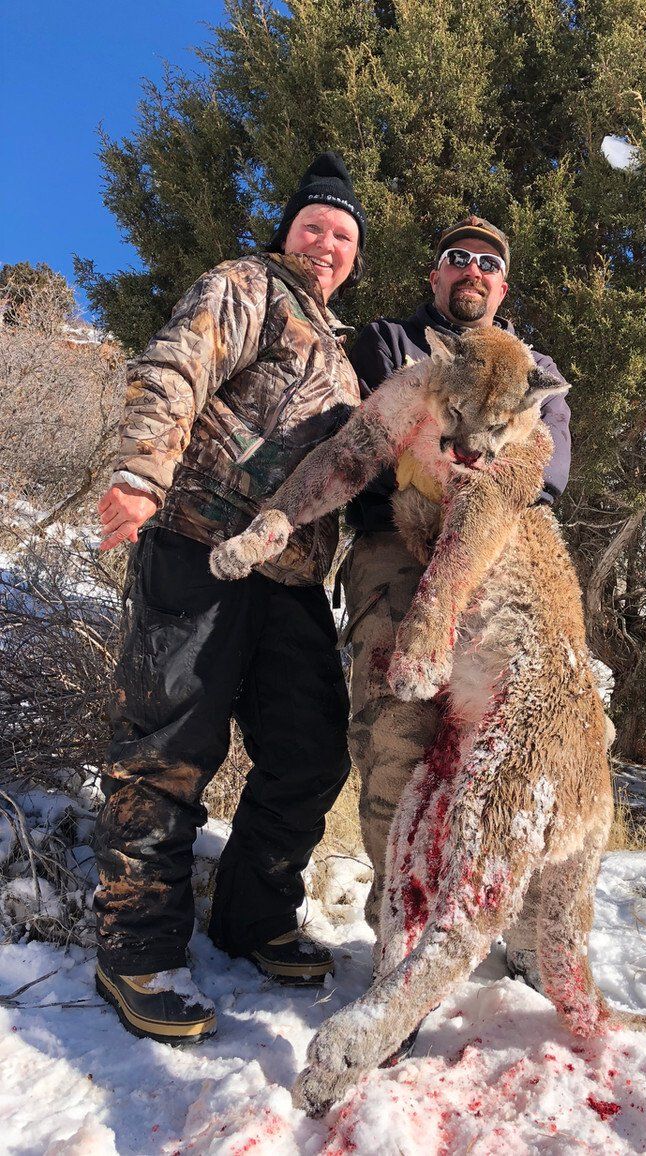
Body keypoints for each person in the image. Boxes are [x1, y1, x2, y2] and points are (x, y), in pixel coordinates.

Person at [92, 152, 366, 1043]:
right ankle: (133, 951)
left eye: (345, 237)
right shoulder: (247, 285)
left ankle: (253, 919)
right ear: (289, 232)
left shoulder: (348, 360)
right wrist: (140, 471)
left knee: (311, 752)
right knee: (168, 748)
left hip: (290, 583)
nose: (328, 245)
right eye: (316, 227)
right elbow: (178, 365)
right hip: (197, 548)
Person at [344, 215, 572, 984]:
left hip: (502, 561)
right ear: (434, 275)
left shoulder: (535, 368)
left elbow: (544, 475)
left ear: (503, 287)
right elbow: (364, 445)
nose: (471, 270)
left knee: (533, 742)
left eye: (487, 263)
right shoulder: (389, 343)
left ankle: (531, 932)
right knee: (399, 731)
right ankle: (399, 944)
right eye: (455, 258)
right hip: (395, 547)